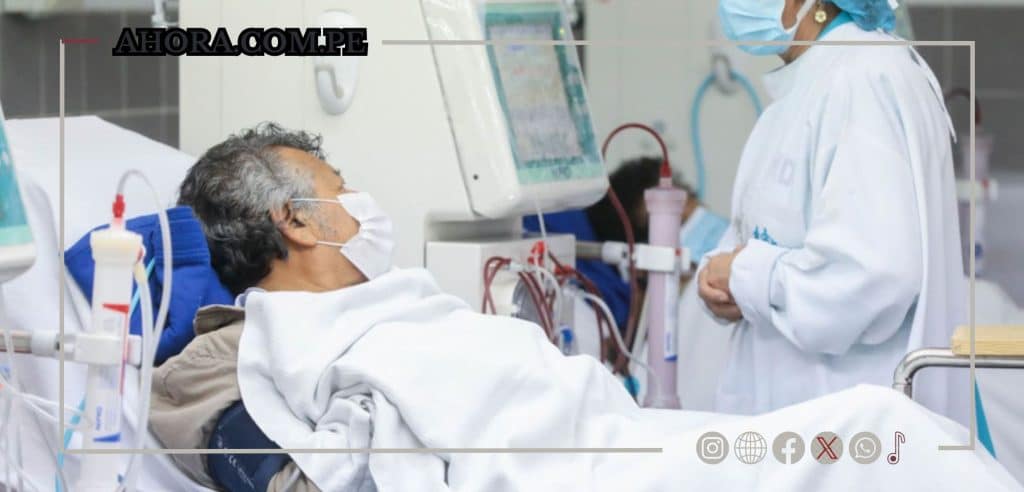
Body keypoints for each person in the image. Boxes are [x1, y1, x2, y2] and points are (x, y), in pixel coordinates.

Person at [698, 0, 966, 421]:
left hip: (845, 424)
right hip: (804, 421)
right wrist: (720, 275)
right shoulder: (811, 84)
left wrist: (748, 277)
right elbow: (766, 233)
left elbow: (875, 273)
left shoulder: (862, 77)